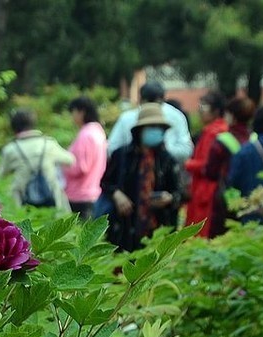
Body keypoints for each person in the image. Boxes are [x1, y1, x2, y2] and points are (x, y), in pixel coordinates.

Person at [100, 103, 184, 252]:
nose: (155, 131)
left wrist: (168, 198)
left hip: (158, 227)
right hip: (125, 226)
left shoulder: (167, 160)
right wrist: (117, 194)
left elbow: (180, 193)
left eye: (159, 127)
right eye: (151, 127)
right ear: (139, 130)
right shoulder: (122, 155)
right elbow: (106, 182)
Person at [0, 108, 74, 214]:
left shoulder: (10, 149)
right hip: (52, 199)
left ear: (14, 127)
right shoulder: (48, 144)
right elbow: (70, 160)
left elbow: (1, 174)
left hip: (22, 202)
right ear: (33, 124)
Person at [203, 96, 254, 238]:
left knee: (221, 238)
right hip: (252, 196)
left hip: (226, 200)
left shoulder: (222, 141)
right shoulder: (255, 140)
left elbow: (210, 172)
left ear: (232, 115)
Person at [106, 81, 194, 162]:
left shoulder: (175, 116)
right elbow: (113, 149)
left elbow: (186, 150)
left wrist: (162, 152)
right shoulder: (127, 118)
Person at [183, 91, 227, 236]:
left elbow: (206, 164)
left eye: (204, 107)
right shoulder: (214, 130)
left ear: (216, 111)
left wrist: (188, 164)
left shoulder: (214, 132)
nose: (200, 111)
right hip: (203, 186)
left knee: (200, 230)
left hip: (206, 188)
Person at [63, 97, 108, 219]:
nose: (72, 116)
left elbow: (81, 167)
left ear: (81, 112)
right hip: (92, 191)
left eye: (73, 112)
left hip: (80, 194)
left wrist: (63, 165)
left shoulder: (86, 135)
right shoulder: (98, 131)